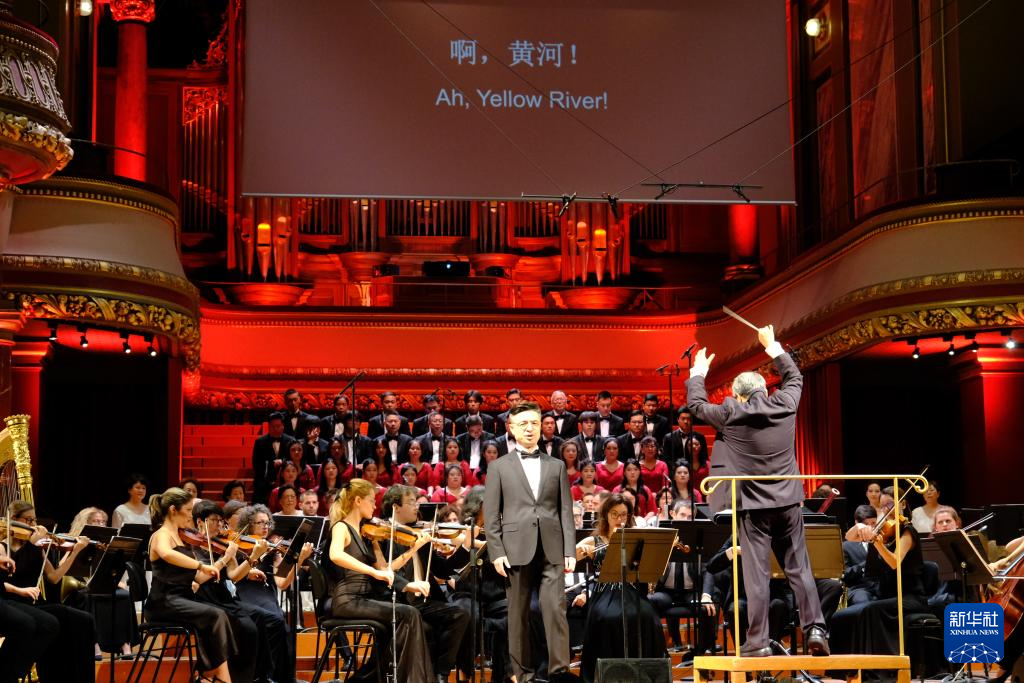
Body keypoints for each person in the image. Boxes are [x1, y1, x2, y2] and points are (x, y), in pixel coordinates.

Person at [686, 324, 828, 657]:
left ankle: (758, 642)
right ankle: (816, 629)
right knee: (799, 569)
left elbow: (696, 405)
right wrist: (772, 346)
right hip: (789, 502)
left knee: (757, 575)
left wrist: (698, 371)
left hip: (754, 507)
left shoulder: (731, 412)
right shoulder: (785, 404)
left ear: (738, 395)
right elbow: (794, 378)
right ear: (765, 388)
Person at [483, 401, 576, 683]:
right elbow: (491, 514)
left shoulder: (556, 465)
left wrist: (570, 549)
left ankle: (559, 672)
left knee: (555, 610)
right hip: (515, 548)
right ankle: (523, 675)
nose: (529, 428)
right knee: (518, 614)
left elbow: (565, 510)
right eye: (523, 423)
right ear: (511, 428)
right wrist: (496, 551)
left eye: (534, 423)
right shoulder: (498, 467)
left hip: (552, 546)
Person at [324, 479, 433, 683]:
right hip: (347, 601)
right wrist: (372, 572)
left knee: (408, 615)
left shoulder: (367, 533)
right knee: (409, 614)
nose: (375, 505)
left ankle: (383, 678)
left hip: (364, 599)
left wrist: (414, 549)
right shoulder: (341, 527)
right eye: (372, 500)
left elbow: (386, 569)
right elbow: (335, 554)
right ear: (358, 501)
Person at [145, 487, 237, 683]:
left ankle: (212, 677)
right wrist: (201, 565)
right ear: (173, 510)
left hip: (183, 598)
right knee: (215, 616)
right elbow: (167, 553)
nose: (190, 515)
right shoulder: (161, 535)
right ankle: (210, 677)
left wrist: (222, 561)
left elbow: (198, 579)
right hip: (164, 602)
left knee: (222, 614)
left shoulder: (182, 537)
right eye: (187, 510)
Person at [380, 485, 471, 682]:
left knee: (460, 614)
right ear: (396, 507)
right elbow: (384, 572)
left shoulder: (419, 533)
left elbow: (443, 570)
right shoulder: (383, 535)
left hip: (423, 601)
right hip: (400, 601)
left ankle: (441, 673)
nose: (417, 507)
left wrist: (465, 547)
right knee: (429, 628)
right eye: (411, 502)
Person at [575, 494, 667, 682]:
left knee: (649, 617)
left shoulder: (637, 539)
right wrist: (580, 552)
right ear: (606, 515)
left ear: (629, 516)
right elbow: (568, 558)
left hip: (632, 592)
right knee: (609, 617)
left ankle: (646, 676)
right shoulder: (595, 541)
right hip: (605, 593)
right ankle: (610, 675)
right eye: (614, 514)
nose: (619, 519)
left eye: (623, 514)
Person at [2, 501, 96, 683]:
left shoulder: (36, 548)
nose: (33, 525)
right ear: (14, 519)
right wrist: (31, 544)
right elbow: (10, 574)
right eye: (29, 520)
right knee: (56, 619)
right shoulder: (3, 546)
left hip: (34, 604)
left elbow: (54, 577)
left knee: (84, 619)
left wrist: (75, 552)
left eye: (34, 520)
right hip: (13, 603)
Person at [829, 516, 928, 660]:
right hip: (884, 596)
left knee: (868, 611)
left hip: (909, 596)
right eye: (882, 507)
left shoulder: (908, 532)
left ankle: (876, 665)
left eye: (889, 506)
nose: (886, 510)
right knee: (841, 616)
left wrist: (877, 543)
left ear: (901, 506)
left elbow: (895, 562)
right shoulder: (883, 532)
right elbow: (849, 537)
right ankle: (844, 666)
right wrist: (859, 527)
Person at [251, 413, 295, 504]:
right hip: (265, 483)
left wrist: (282, 462)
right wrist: (271, 465)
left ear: (283, 426)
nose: (275, 429)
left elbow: (294, 460)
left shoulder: (291, 441)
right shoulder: (260, 442)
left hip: (286, 482)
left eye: (278, 426)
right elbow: (256, 464)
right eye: (272, 426)